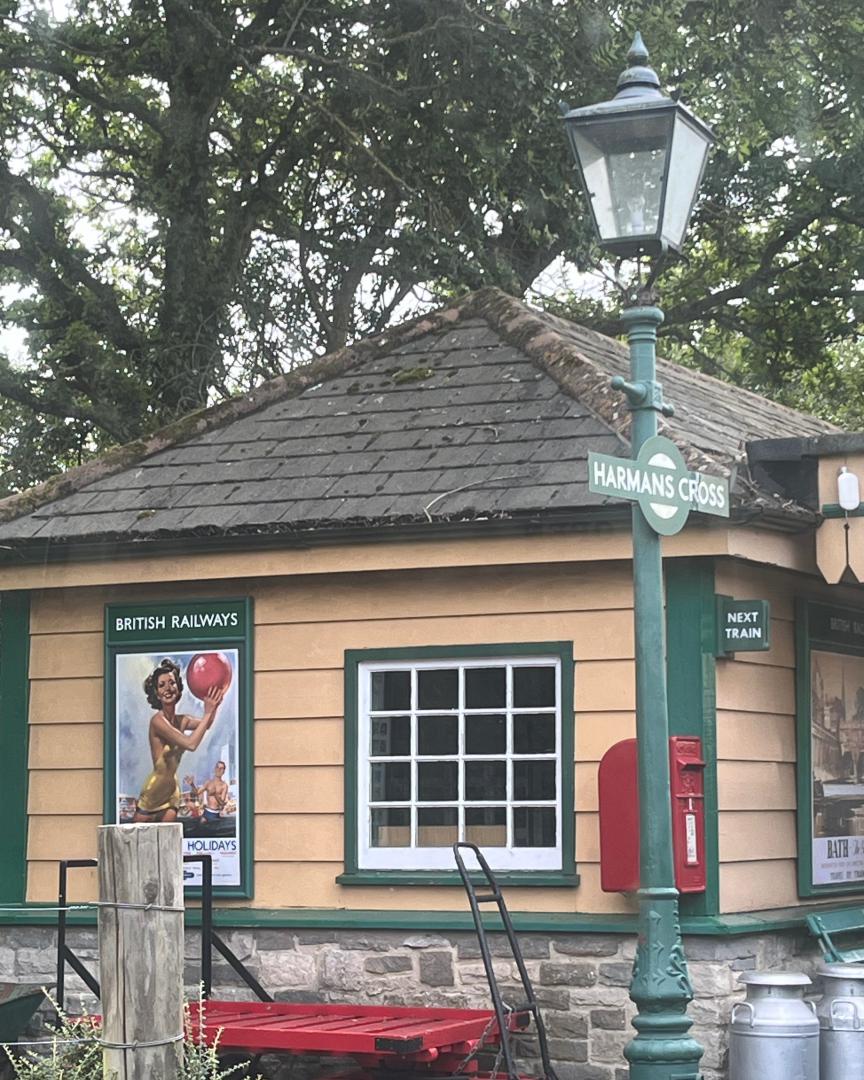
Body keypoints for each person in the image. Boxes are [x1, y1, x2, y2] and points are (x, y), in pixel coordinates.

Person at [133, 658, 224, 823]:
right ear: (156, 693)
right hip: (153, 792)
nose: (168, 688)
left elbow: (207, 724)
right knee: (137, 843)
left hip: (171, 792)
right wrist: (208, 712)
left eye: (171, 683)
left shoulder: (184, 720)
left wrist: (214, 705)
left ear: (178, 686)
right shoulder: (157, 721)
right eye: (162, 685)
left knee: (168, 844)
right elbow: (191, 744)